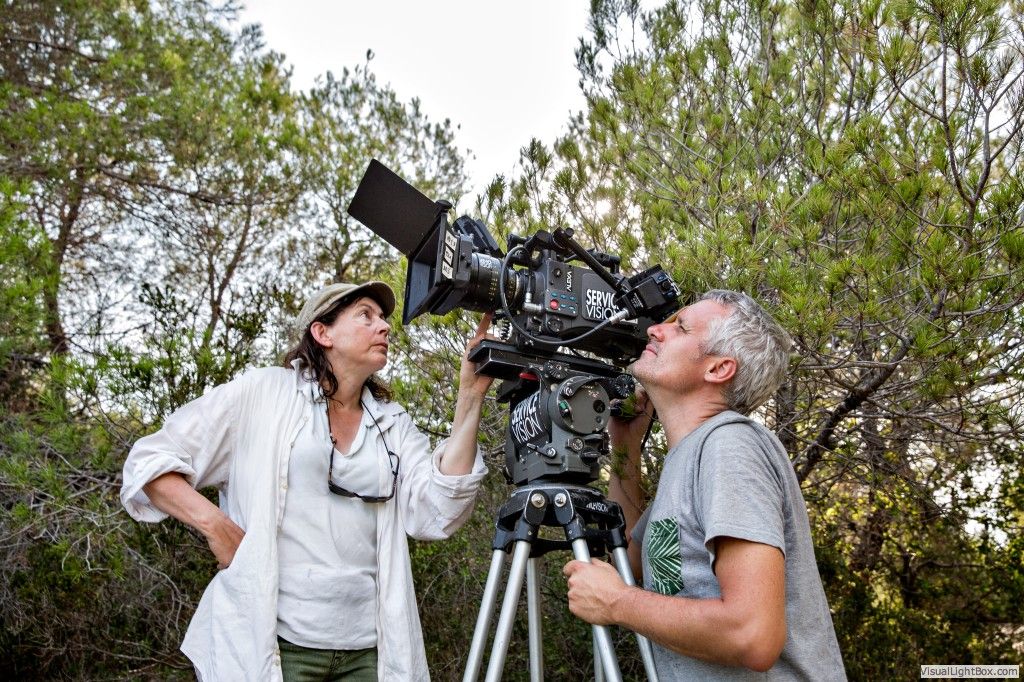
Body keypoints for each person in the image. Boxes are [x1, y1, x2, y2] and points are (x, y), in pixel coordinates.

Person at [121, 280, 494, 681]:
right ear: (322, 332)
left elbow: (439, 508)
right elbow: (150, 461)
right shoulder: (263, 394)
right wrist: (216, 525)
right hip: (279, 646)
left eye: (383, 319)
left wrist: (469, 396)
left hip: (369, 652)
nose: (384, 327)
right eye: (366, 316)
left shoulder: (391, 422)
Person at [563, 290, 846, 679]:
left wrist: (617, 603)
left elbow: (752, 634)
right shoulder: (691, 456)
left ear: (717, 369)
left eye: (680, 327)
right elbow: (629, 561)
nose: (656, 330)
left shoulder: (730, 445)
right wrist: (625, 446)